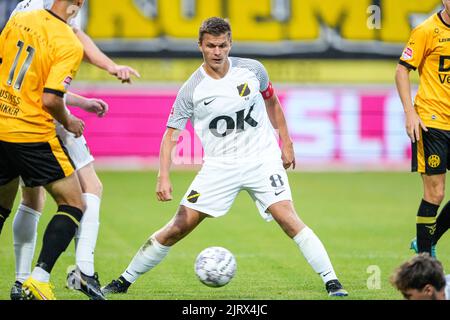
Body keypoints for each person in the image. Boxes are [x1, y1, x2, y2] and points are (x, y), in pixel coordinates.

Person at [101, 17, 348, 298]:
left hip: (261, 159)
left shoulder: (253, 70)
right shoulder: (192, 89)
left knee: (288, 218)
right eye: (211, 46)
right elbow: (171, 134)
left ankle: (332, 282)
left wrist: (286, 142)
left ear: (230, 44)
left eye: (222, 45)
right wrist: (164, 175)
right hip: (220, 166)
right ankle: (124, 280)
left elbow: (272, 101)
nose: (217, 52)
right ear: (200, 46)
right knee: (177, 227)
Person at [6, 0, 139, 300]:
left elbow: (29, 75)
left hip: (12, 112)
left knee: (31, 197)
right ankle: (82, 271)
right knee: (85, 190)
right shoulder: (60, 19)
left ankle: (21, 281)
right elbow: (53, 84)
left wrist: (79, 99)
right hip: (42, 118)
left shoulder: (25, 10)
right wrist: (110, 67)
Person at [396, 0, 450, 258]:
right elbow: (401, 71)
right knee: (435, 192)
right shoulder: (426, 30)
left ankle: (426, 241)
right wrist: (410, 113)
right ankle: (425, 261)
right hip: (433, 122)